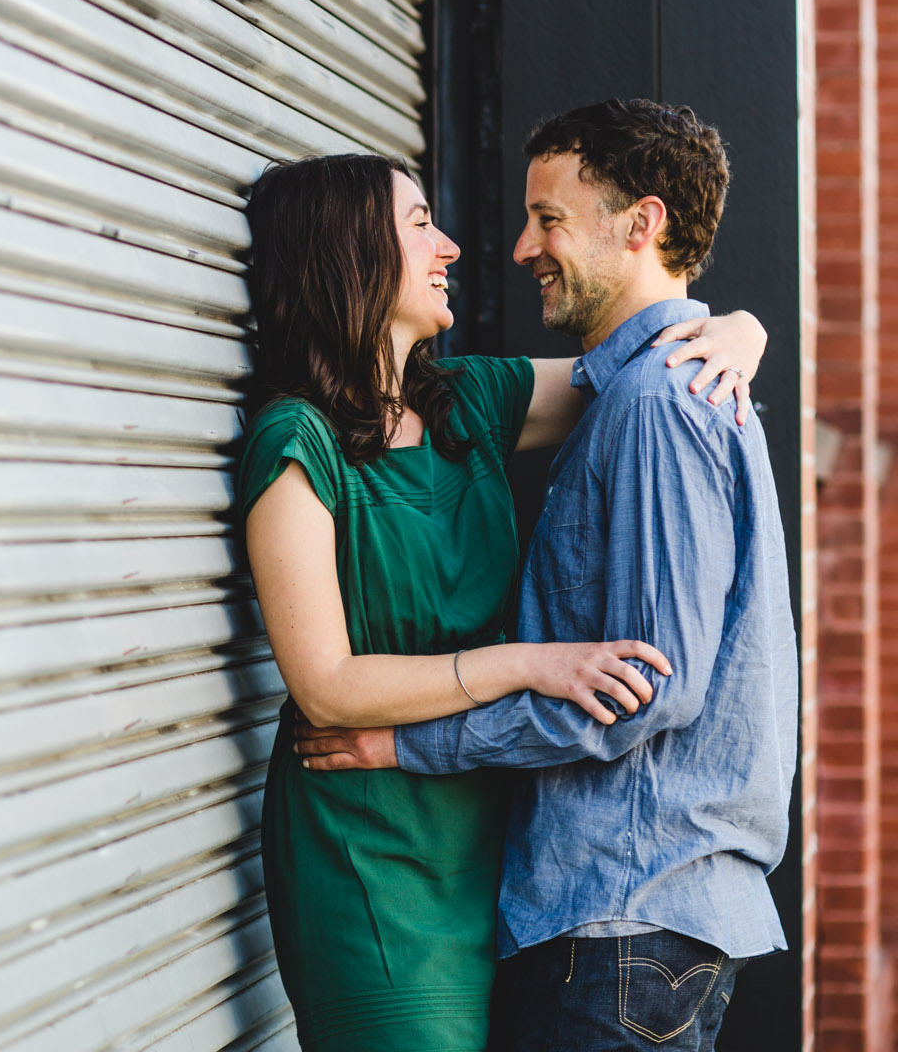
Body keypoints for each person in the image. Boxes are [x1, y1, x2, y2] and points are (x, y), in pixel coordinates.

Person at [291, 100, 798, 1052]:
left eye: (550, 219)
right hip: (628, 923)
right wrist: (742, 322)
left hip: (619, 917)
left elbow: (645, 690)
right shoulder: (659, 382)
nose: (522, 246)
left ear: (641, 224)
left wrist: (407, 749)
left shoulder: (657, 405)